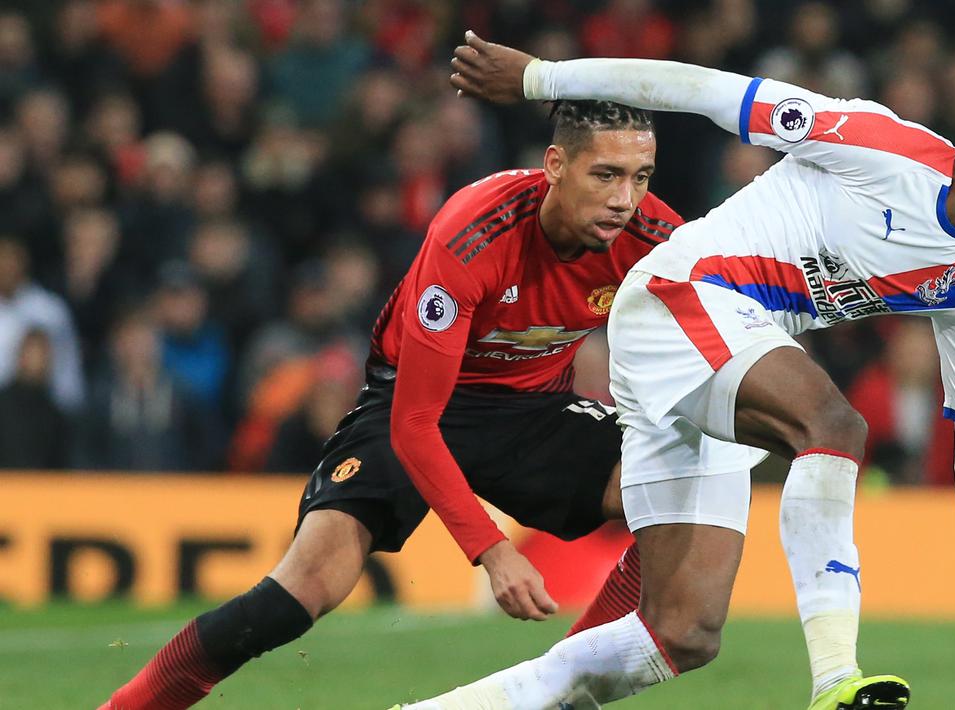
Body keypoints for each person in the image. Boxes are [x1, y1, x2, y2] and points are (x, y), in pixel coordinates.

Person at [408, 33, 955, 710]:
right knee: (832, 425)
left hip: (721, 360)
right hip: (677, 298)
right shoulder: (876, 144)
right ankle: (836, 678)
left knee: (681, 634)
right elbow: (707, 90)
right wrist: (542, 80)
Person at [99, 99, 683, 710]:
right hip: (416, 399)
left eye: (640, 178)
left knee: (671, 483)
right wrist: (492, 550)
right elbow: (414, 421)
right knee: (300, 593)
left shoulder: (654, 235)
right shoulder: (473, 233)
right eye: (606, 175)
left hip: (533, 410)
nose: (625, 199)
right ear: (555, 165)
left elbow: (739, 286)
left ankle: (555, 691)